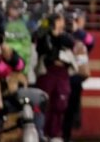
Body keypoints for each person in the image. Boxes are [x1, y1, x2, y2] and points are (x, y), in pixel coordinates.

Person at [34, 12, 76, 141]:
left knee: (60, 104)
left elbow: (69, 43)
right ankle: (41, 133)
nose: (61, 22)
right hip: (47, 71)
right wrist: (47, 25)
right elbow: (39, 43)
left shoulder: (66, 36)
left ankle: (55, 134)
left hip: (62, 73)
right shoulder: (44, 35)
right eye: (58, 20)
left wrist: (58, 33)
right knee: (43, 103)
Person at [63, 8, 94, 142]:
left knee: (71, 111)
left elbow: (91, 42)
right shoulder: (63, 34)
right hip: (63, 77)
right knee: (60, 110)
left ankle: (66, 136)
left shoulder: (81, 35)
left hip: (76, 79)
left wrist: (77, 30)